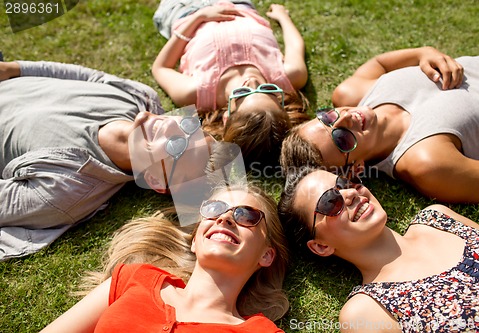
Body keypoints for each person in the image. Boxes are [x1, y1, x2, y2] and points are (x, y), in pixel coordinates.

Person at [0, 60, 216, 260]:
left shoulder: (66, 189)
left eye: (177, 146)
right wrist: (13, 68)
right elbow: (85, 76)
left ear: (155, 180)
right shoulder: (142, 97)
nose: (171, 125)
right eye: (190, 127)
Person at [40, 184, 289, 332]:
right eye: (214, 209)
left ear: (266, 255)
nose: (224, 218)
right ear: (195, 240)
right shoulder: (135, 278)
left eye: (246, 215)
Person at [278, 167, 479, 333]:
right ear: (321, 246)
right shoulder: (366, 311)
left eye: (345, 182)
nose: (350, 194)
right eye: (330, 202)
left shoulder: (438, 217)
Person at [280, 46, 479, 205]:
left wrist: (424, 53)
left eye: (327, 117)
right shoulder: (425, 162)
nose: (344, 118)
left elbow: (380, 64)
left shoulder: (351, 92)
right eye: (341, 139)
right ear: (356, 169)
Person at [152, 0, 309, 170]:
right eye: (267, 90)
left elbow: (160, 68)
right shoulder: (289, 75)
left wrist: (198, 17)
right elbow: (295, 45)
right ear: (281, 101)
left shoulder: (196, 92)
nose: (253, 81)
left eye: (242, 93)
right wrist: (282, 16)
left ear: (227, 115)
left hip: (184, 10)